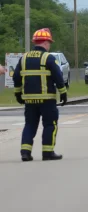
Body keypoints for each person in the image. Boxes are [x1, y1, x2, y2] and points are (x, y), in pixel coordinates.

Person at [13, 28, 67, 162]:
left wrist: (18, 94)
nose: (49, 45)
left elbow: (16, 77)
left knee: (30, 125)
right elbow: (58, 76)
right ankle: (47, 153)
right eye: (49, 42)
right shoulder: (48, 58)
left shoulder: (23, 58)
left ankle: (25, 152)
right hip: (47, 99)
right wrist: (63, 92)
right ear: (46, 42)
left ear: (35, 42)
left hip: (29, 100)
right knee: (50, 124)